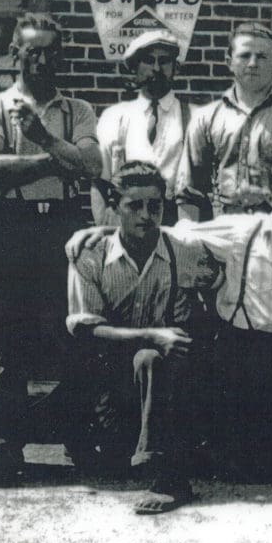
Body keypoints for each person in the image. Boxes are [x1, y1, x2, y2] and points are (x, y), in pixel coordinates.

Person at [75, 155, 272, 479]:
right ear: (270, 197)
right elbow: (175, 232)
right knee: (237, 464)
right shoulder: (241, 231)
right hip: (240, 349)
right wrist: (109, 231)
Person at [0, 12, 101, 481]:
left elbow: (91, 166)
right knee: (12, 340)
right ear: (15, 53)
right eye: (33, 50)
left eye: (52, 51)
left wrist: (42, 140)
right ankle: (8, 448)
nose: (43, 59)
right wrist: (58, 160)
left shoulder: (78, 109)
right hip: (14, 226)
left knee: (74, 334)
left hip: (63, 228)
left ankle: (79, 442)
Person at [66, 162, 221, 514]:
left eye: (155, 206)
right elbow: (86, 329)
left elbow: (234, 247)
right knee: (101, 451)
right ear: (114, 207)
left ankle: (168, 477)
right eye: (134, 206)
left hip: (166, 373)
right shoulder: (89, 254)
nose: (146, 215)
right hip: (107, 376)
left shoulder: (185, 249)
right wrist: (151, 333)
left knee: (153, 358)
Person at [184, 22, 272, 219]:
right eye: (244, 55)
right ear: (229, 61)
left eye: (262, 56)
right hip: (221, 229)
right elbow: (189, 193)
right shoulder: (206, 118)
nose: (252, 63)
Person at [93, 30, 193, 225]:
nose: (156, 68)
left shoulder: (192, 118)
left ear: (175, 68)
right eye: (148, 60)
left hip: (173, 219)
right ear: (135, 68)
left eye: (164, 61)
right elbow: (99, 183)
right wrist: (104, 230)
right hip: (126, 219)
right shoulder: (114, 117)